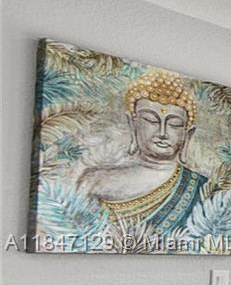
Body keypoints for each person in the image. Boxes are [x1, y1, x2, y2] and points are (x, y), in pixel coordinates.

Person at [78, 68, 209, 238]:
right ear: (133, 125)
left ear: (187, 134)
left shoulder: (203, 188)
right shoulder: (94, 181)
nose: (162, 132)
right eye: (150, 120)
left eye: (175, 124)